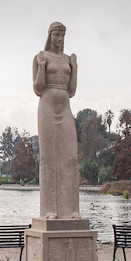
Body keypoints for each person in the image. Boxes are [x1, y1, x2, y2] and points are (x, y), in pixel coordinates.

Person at [32, 22, 80, 219]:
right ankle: (49, 210)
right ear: (50, 35)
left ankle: (72, 211)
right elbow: (38, 88)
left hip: (65, 108)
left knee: (71, 158)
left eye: (63, 36)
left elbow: (72, 90)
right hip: (47, 107)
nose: (60, 39)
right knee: (48, 159)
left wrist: (75, 69)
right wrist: (42, 68)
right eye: (57, 35)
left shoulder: (69, 59)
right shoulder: (40, 57)